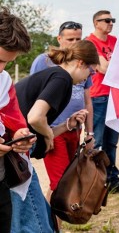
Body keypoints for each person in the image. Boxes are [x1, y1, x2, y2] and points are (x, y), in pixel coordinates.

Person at [13, 40, 98, 232]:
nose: (88, 78)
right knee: (38, 220)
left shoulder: (55, 75)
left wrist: (67, 125)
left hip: (17, 148)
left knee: (30, 217)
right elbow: (35, 117)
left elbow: (38, 126)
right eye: (90, 72)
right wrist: (49, 135)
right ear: (80, 63)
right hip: (14, 152)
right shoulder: (62, 78)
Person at [30, 21, 95, 198]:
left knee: (69, 179)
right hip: (53, 128)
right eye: (70, 38)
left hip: (73, 127)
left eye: (78, 38)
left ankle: (54, 224)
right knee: (59, 183)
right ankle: (52, 225)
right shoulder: (45, 62)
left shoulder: (84, 65)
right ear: (59, 39)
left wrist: (90, 133)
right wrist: (46, 133)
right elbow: (34, 99)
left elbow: (88, 100)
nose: (74, 42)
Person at [86, 10, 119, 193]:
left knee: (112, 141)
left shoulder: (115, 41)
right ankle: (96, 182)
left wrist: (117, 66)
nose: (111, 23)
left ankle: (112, 179)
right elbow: (103, 68)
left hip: (114, 96)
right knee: (97, 141)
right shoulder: (90, 42)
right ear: (96, 23)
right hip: (98, 96)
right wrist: (118, 66)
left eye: (112, 20)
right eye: (106, 20)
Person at [0, 7, 36, 228]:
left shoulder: (3, 80)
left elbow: (13, 120)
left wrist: (20, 135)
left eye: (7, 63)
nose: (1, 68)